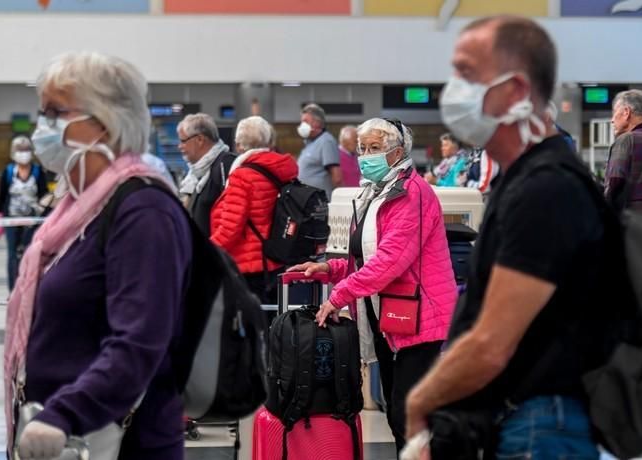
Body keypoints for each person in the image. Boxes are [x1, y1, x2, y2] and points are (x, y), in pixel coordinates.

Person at [405, 16, 611, 459]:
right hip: (519, 423)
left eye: (466, 73)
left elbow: (492, 344)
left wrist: (420, 404)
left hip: (540, 429)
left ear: (516, 91)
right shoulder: (521, 181)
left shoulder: (546, 188)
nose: (451, 90)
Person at [5, 52, 191, 459]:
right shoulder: (78, 209)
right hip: (65, 437)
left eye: (55, 112)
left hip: (117, 441)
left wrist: (64, 414)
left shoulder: (143, 210)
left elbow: (139, 342)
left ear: (105, 121)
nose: (43, 127)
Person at [289, 117, 457, 453]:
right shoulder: (374, 192)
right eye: (363, 148)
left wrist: (339, 296)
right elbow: (365, 257)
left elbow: (390, 260)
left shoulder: (412, 194)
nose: (366, 155)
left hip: (421, 315)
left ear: (397, 153)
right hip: (388, 314)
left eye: (375, 148)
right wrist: (327, 268)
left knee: (409, 413)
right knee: (400, 414)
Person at [211, 115, 298, 303]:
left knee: (252, 325)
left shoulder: (242, 176)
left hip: (250, 265)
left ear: (239, 145)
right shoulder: (283, 169)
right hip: (277, 258)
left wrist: (206, 251)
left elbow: (230, 227)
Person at [0, 136, 48, 291]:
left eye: (26, 150)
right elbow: (2, 195)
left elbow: (43, 195)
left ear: (31, 152)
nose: (23, 153)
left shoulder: (38, 171)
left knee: (29, 253)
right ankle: (12, 290)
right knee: (12, 255)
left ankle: (27, 287)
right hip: (11, 219)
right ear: (13, 153)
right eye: (20, 150)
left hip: (32, 221)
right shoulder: (9, 171)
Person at [177, 113, 235, 238]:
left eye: (183, 141)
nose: (180, 146)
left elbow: (232, 220)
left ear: (200, 140)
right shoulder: (194, 174)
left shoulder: (226, 165)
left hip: (216, 254)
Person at [296, 103, 342, 199]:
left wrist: (338, 200)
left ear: (317, 122)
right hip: (308, 200)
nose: (302, 125)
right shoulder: (309, 143)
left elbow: (336, 176)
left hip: (320, 202)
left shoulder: (326, 141)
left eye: (305, 121)